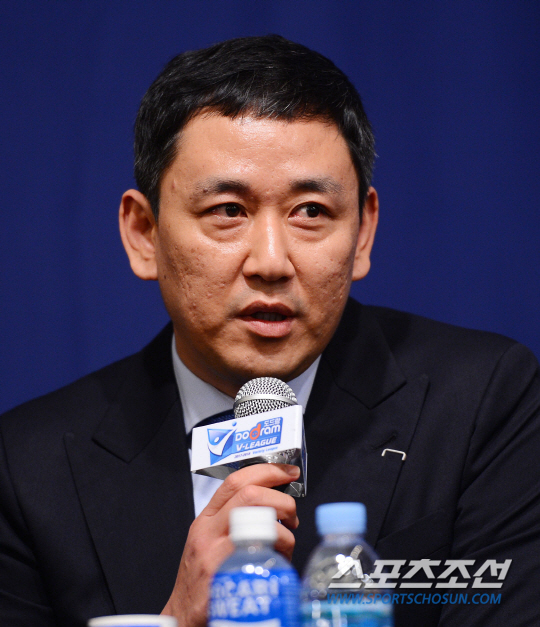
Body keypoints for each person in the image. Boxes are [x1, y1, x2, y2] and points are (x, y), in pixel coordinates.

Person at [0, 35, 539, 627]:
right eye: (228, 211)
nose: (272, 262)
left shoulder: (482, 404)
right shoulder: (29, 469)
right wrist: (175, 621)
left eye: (311, 212)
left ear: (362, 234)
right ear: (144, 233)